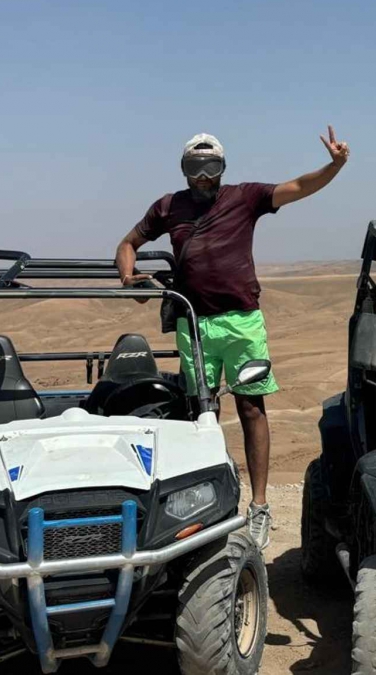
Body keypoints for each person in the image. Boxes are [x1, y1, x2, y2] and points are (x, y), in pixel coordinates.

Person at [116, 128, 350, 549]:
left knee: (251, 407)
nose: (203, 176)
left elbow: (297, 187)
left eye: (211, 167)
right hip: (194, 323)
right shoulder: (168, 206)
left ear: (223, 168)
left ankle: (258, 507)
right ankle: (199, 505)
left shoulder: (245, 197)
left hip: (241, 322)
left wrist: (334, 166)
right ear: (184, 169)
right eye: (195, 167)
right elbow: (128, 243)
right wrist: (127, 276)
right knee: (199, 414)